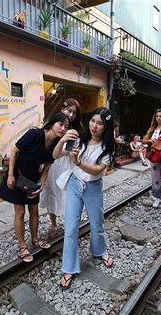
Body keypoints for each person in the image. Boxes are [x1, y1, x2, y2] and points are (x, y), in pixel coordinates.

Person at [54, 108, 115, 290]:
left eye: (100, 123)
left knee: (97, 223)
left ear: (106, 127)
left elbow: (97, 171)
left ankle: (99, 251)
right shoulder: (79, 138)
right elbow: (56, 155)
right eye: (93, 121)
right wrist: (63, 139)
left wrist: (78, 162)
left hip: (93, 188)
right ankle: (69, 268)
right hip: (75, 184)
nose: (94, 126)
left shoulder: (108, 148)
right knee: (71, 227)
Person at [0, 112, 69, 263]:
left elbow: (49, 163)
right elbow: (14, 151)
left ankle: (35, 239)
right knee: (20, 212)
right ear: (52, 123)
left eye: (66, 127)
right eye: (61, 124)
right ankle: (22, 245)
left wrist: (43, 180)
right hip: (18, 177)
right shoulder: (34, 134)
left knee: (35, 210)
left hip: (33, 181)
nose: (63, 129)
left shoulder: (55, 144)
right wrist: (10, 175)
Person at [40, 99, 83, 238]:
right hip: (52, 167)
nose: (71, 115)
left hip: (66, 167)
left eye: (74, 113)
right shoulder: (53, 126)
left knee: (69, 196)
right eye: (69, 110)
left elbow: (71, 151)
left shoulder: (73, 131)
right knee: (51, 194)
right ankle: (53, 223)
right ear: (62, 108)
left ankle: (71, 224)